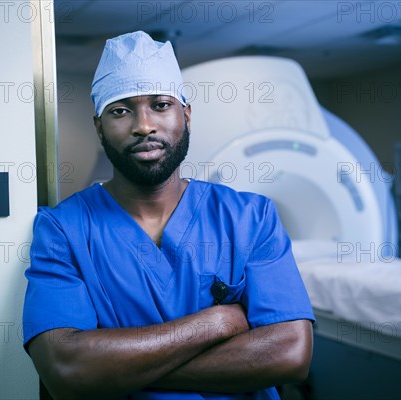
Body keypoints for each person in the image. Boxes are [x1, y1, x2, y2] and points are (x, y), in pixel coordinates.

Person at [22, 31, 314, 400]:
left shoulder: (250, 218)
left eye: (160, 105)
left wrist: (115, 370)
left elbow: (289, 355)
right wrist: (216, 322)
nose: (144, 125)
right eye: (120, 110)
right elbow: (66, 369)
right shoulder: (63, 230)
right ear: (99, 126)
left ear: (186, 115)